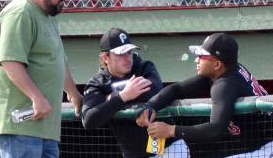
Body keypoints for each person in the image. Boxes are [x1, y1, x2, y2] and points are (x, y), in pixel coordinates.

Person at [0, 0, 83, 158]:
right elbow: (10, 62)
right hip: (21, 123)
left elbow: (58, 59)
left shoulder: (47, 16)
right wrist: (37, 98)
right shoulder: (20, 13)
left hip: (43, 126)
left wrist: (74, 94)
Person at [136, 33, 268, 156]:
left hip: (266, 147)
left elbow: (214, 130)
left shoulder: (225, 85)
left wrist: (170, 130)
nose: (197, 60)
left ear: (217, 64)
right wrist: (151, 105)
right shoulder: (226, 70)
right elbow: (177, 89)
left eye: (202, 56)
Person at [82, 28, 187, 158]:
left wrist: (109, 100)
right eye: (120, 54)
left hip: (168, 149)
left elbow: (154, 90)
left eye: (129, 52)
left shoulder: (143, 67)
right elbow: (89, 120)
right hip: (134, 154)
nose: (127, 58)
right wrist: (122, 96)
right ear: (105, 57)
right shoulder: (97, 83)